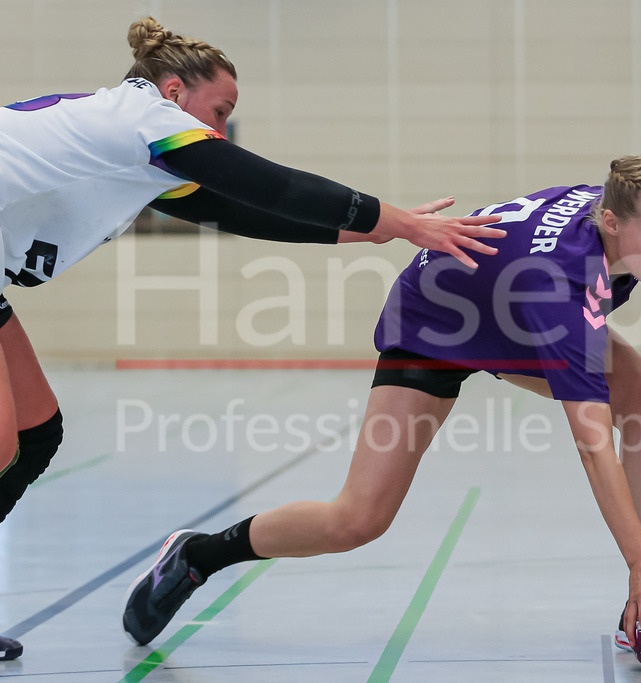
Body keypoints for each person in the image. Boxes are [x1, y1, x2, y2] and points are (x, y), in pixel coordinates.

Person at [0, 17, 504, 660]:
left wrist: (372, 232)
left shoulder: (135, 147)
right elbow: (268, 183)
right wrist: (398, 221)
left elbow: (238, 210)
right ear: (175, 91)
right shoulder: (143, 122)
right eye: (220, 110)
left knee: (38, 433)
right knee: (4, 439)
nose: (220, 129)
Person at [122, 154, 641, 658]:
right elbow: (593, 444)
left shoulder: (610, 215)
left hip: (505, 311)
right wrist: (635, 561)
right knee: (357, 519)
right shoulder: (559, 287)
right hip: (435, 323)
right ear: (608, 220)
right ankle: (199, 554)